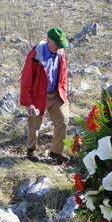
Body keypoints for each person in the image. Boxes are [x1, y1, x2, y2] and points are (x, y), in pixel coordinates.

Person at [20, 27, 70, 164]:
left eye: (62, 44)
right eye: (57, 44)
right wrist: (28, 102)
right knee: (34, 124)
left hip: (56, 93)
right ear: (49, 41)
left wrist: (63, 91)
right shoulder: (36, 54)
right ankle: (31, 150)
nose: (60, 47)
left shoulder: (60, 52)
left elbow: (63, 73)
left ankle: (56, 152)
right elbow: (26, 79)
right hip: (38, 94)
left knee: (63, 119)